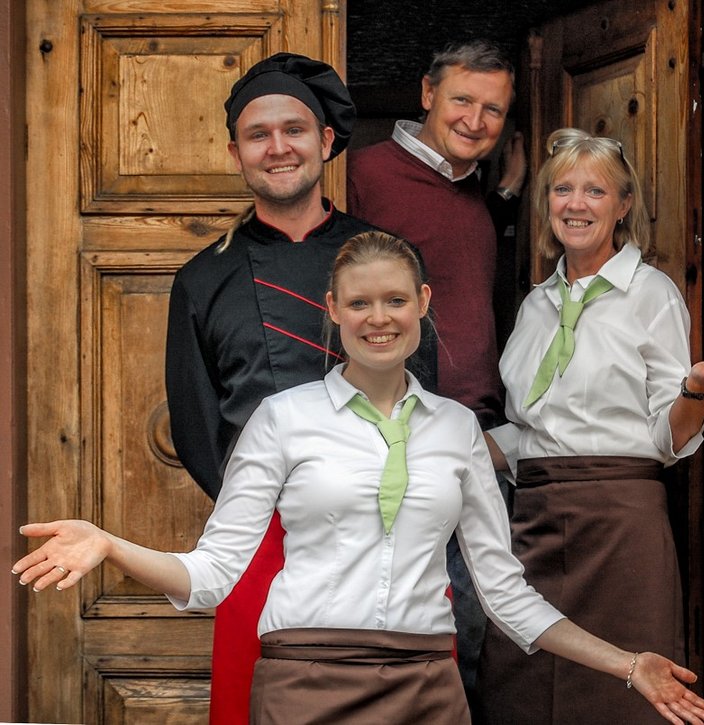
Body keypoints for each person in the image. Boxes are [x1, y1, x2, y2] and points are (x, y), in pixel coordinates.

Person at [15, 231, 704, 725]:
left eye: (393, 300)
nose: (377, 318)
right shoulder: (283, 419)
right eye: (359, 303)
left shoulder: (454, 431)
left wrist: (629, 664)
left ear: (422, 303)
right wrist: (109, 544)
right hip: (303, 685)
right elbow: (214, 573)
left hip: (426, 689)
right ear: (333, 311)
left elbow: (506, 595)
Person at [163, 53, 431, 725]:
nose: (278, 147)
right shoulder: (202, 280)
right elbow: (197, 430)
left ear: (327, 142)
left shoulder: (387, 258)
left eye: (295, 129)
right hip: (260, 541)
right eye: (258, 134)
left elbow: (425, 395)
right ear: (235, 153)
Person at [476, 128, 704, 724]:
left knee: (619, 700)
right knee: (518, 685)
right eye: (561, 189)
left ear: (623, 205)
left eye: (594, 190)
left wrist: (696, 389)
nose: (575, 204)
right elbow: (528, 432)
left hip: (622, 522)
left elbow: (668, 439)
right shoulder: (534, 305)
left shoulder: (652, 294)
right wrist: (443, 449)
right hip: (532, 521)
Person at [346, 38, 526, 702]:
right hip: (389, 441)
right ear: (427, 94)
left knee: (476, 633)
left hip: (477, 445)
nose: (476, 121)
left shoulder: (479, 202)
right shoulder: (363, 175)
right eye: (461, 101)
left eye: (493, 110)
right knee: (383, 631)